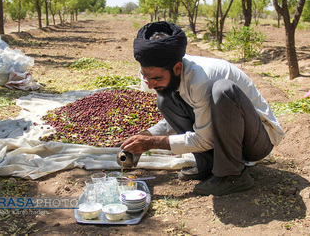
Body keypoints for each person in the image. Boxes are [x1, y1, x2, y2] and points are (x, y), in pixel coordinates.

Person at [120, 21, 285, 196]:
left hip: (256, 141)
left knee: (222, 91)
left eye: (157, 79)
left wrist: (153, 143)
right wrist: (148, 135)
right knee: (165, 99)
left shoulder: (201, 79)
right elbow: (186, 115)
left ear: (177, 68)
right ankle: (209, 165)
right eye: (146, 77)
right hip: (228, 132)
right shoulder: (169, 75)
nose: (150, 84)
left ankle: (233, 175)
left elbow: (204, 139)